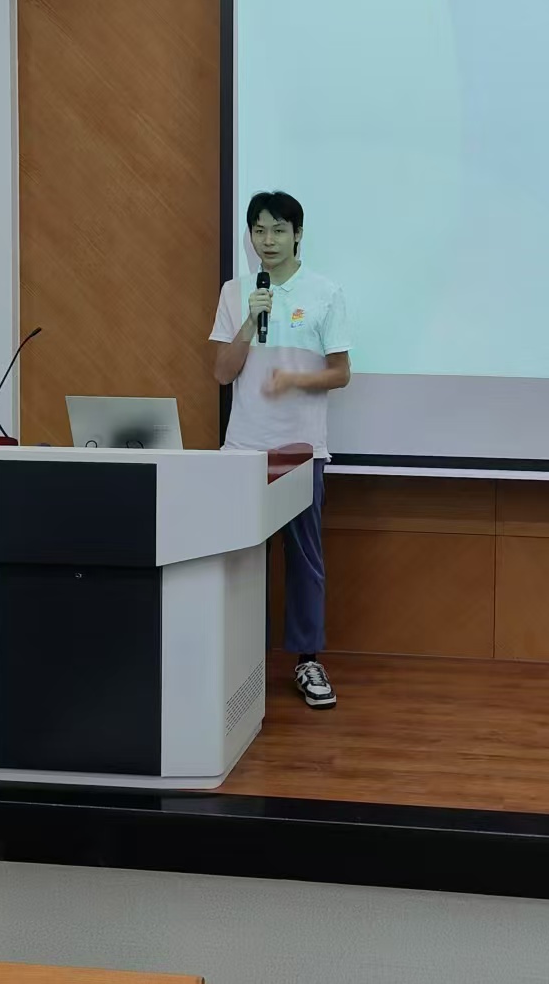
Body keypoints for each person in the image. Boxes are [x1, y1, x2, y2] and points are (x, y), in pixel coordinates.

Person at [209, 191, 351, 709]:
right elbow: (222, 372)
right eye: (258, 230)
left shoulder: (325, 293)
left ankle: (307, 661)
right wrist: (250, 321)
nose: (267, 241)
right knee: (239, 559)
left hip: (301, 450)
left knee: (304, 560)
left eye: (278, 230)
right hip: (242, 448)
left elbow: (341, 372)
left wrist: (296, 379)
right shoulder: (236, 292)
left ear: (297, 234)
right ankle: (237, 660)